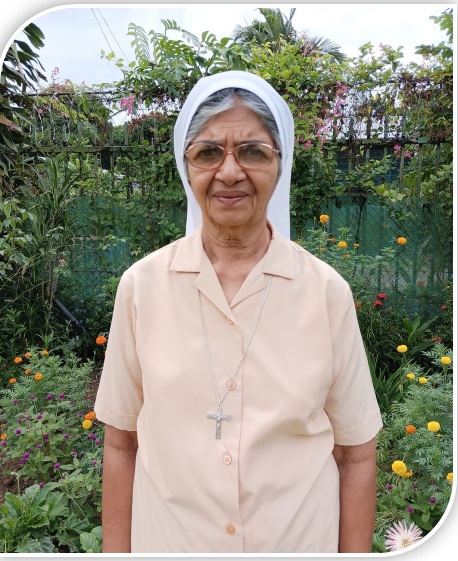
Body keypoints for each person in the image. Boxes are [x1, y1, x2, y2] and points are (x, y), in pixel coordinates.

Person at [94, 70, 383, 554]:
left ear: (280, 164)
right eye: (208, 153)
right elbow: (121, 444)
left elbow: (357, 455)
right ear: (187, 167)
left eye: (252, 151)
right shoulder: (142, 287)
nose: (229, 172)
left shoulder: (325, 292)